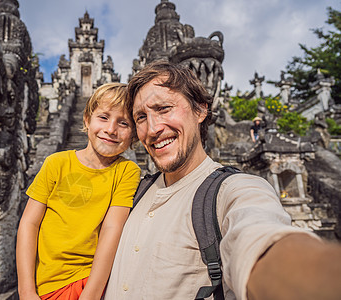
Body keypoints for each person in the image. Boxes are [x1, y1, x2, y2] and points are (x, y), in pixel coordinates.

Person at [104, 61, 341, 300]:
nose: (153, 128)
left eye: (164, 108)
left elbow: (260, 242)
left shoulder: (234, 190)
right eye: (141, 117)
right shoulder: (133, 191)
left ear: (200, 110)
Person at [17, 83, 141, 300]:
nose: (111, 129)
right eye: (103, 117)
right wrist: (26, 290)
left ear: (135, 136)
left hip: (93, 282)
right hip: (46, 285)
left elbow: (112, 229)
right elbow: (29, 223)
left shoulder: (126, 171)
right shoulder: (56, 163)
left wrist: (90, 295)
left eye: (124, 123)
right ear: (86, 119)